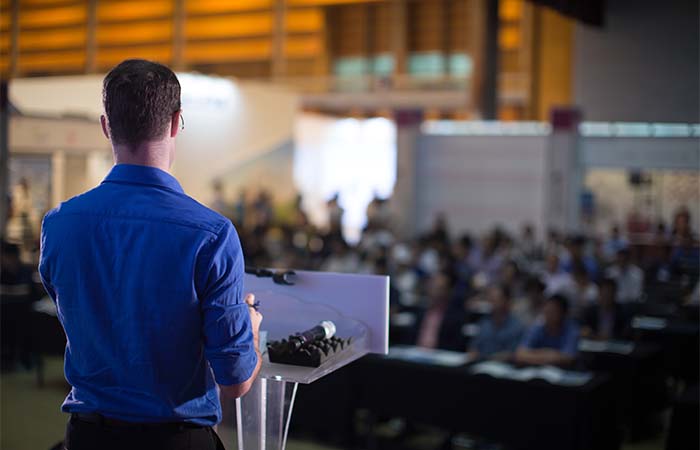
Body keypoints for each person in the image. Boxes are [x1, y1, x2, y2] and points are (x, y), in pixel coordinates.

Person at [39, 59, 262, 450]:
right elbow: (236, 381)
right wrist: (251, 326)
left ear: (107, 126)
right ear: (177, 123)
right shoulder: (212, 235)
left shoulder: (59, 224)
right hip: (175, 440)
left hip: (88, 437)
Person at [515, 295, 580, 367]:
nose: (548, 315)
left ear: (563, 314)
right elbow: (520, 354)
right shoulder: (538, 328)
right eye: (546, 311)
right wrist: (550, 353)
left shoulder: (571, 330)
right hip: (537, 372)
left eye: (553, 311)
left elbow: (568, 358)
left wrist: (534, 354)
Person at [469, 285, 524, 361]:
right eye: (491, 299)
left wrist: (488, 358)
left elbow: (512, 354)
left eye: (497, 299)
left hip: (502, 369)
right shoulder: (484, 322)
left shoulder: (517, 327)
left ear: (507, 301)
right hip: (480, 367)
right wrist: (473, 354)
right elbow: (474, 346)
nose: (493, 302)